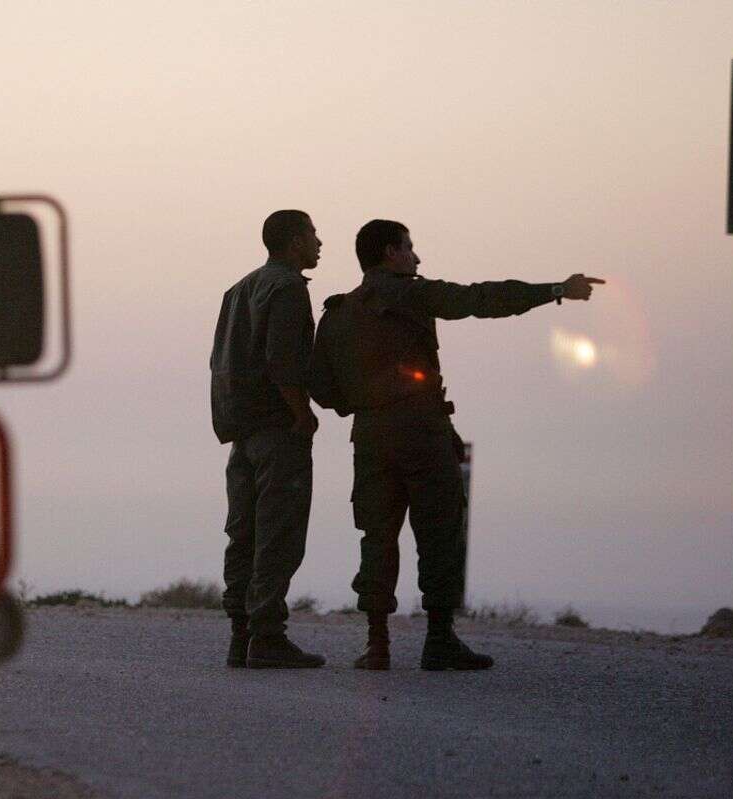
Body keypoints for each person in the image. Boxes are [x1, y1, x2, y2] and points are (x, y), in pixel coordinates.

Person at [310, 219, 602, 671]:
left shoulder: (338, 313)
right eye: (409, 248)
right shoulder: (409, 293)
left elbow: (324, 390)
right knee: (439, 531)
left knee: (377, 536)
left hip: (370, 438)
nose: (417, 257)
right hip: (421, 434)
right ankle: (439, 639)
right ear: (390, 253)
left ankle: (377, 644)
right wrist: (555, 289)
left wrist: (368, 403)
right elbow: (478, 299)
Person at [210, 210, 326, 669]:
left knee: (244, 534)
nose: (320, 243)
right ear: (295, 241)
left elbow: (219, 363)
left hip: (242, 433)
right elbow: (282, 362)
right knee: (278, 535)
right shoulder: (288, 288)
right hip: (278, 431)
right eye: (314, 235)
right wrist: (304, 415)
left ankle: (241, 635)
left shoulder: (238, 290)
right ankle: (267, 637)